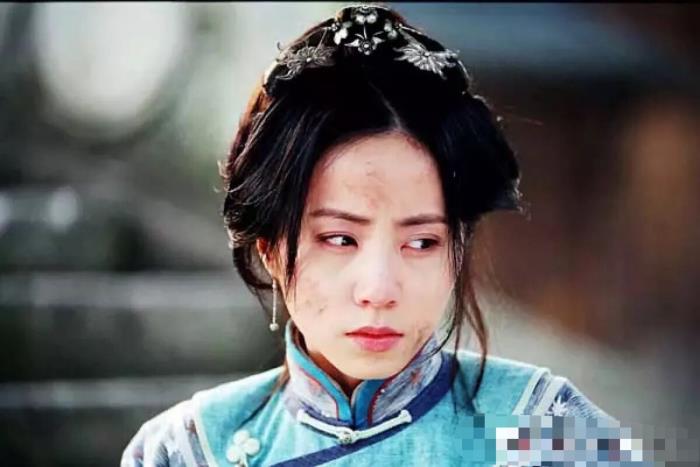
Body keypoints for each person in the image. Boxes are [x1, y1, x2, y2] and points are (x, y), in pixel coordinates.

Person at [121, 4, 621, 466]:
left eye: (422, 242)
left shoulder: (545, 428)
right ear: (269, 247)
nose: (379, 289)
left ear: (458, 246)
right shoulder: (189, 450)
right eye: (340, 239)